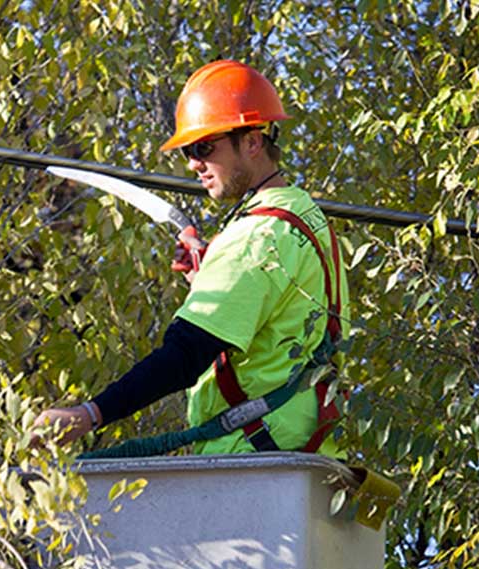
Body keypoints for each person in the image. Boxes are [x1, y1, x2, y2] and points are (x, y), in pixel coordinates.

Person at [32, 59, 348, 456]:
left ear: (252, 141)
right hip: (305, 453)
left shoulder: (254, 237)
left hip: (255, 458)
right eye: (188, 151)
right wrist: (211, 279)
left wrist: (89, 414)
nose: (194, 164)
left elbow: (184, 356)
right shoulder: (306, 219)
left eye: (204, 147)